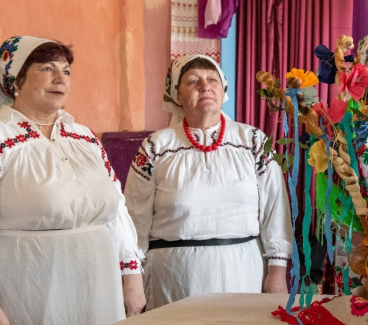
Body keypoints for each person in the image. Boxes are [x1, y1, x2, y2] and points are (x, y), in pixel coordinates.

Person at [0, 36, 144, 325]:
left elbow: (115, 208)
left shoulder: (83, 137)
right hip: (29, 294)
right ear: (14, 79)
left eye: (67, 71)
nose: (60, 78)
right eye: (46, 68)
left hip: (97, 288)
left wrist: (131, 275)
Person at [124, 55, 292, 310]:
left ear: (223, 90)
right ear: (176, 96)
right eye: (193, 81)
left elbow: (275, 209)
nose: (205, 86)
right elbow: (134, 221)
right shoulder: (155, 148)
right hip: (174, 280)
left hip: (242, 274)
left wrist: (277, 272)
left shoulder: (253, 142)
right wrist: (132, 280)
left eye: (212, 79)